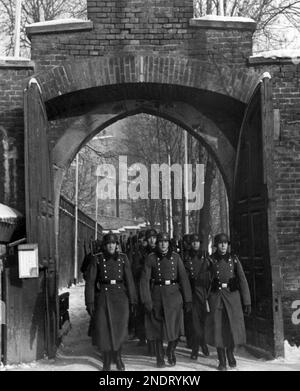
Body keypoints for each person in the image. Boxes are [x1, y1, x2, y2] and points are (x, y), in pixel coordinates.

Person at [84, 232, 137, 371]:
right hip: (103, 297)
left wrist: (133, 301)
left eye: (113, 243)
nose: (111, 246)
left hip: (120, 297)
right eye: (108, 243)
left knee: (120, 330)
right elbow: (90, 282)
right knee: (104, 331)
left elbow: (130, 281)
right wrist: (89, 302)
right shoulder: (97, 259)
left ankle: (118, 358)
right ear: (104, 245)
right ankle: (106, 361)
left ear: (117, 245)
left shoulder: (123, 258)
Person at [140, 232, 192, 368]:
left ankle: (170, 351)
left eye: (165, 241)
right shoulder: (151, 258)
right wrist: (147, 300)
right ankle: (159, 357)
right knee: (157, 330)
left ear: (169, 243)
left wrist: (188, 299)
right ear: (157, 244)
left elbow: (184, 279)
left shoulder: (176, 257)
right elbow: (144, 281)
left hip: (174, 297)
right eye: (160, 242)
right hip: (157, 296)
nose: (163, 244)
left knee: (175, 329)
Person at [205, 233, 251, 370]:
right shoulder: (210, 260)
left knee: (232, 326)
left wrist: (247, 301)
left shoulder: (234, 259)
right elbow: (203, 281)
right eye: (220, 243)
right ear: (216, 245)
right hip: (216, 296)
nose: (223, 245)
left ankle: (230, 353)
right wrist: (207, 296)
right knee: (218, 327)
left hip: (232, 297)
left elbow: (242, 280)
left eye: (225, 243)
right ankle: (221, 359)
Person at [184, 233, 211, 360]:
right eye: (193, 242)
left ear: (200, 243)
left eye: (197, 242)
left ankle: (203, 343)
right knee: (194, 323)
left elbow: (212, 274)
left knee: (204, 321)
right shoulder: (186, 258)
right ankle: (195, 348)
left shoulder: (206, 257)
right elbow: (183, 276)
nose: (195, 244)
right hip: (193, 293)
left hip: (205, 294)